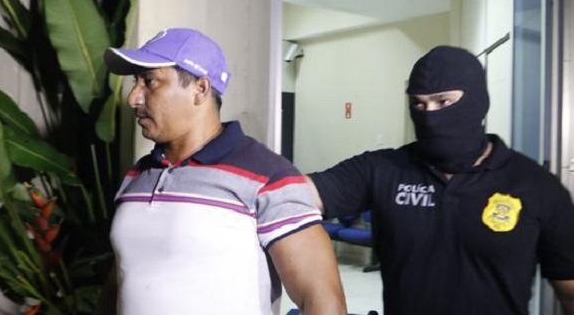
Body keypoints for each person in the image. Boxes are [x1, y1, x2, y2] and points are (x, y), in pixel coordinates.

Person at [305, 45, 574, 315]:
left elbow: (569, 289)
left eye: (443, 102)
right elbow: (298, 194)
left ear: (478, 102)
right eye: (418, 104)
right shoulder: (382, 169)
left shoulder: (536, 185)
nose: (430, 115)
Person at [101, 28, 346, 315]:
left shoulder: (269, 176)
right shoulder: (137, 176)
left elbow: (323, 301)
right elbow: (124, 275)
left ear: (200, 89)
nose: (133, 98)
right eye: (135, 82)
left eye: (149, 82)